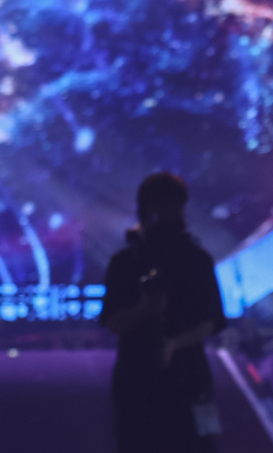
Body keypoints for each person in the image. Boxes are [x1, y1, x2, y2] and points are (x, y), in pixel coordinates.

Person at [99, 172, 228, 453]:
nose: (166, 213)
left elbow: (211, 320)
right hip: (140, 379)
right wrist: (144, 311)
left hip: (187, 378)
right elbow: (112, 321)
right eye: (160, 206)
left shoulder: (196, 259)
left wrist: (173, 344)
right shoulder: (125, 263)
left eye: (172, 206)